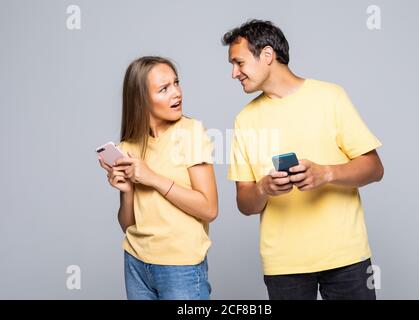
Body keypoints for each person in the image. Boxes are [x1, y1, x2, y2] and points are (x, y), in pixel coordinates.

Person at [223, 20, 384, 300]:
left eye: (238, 63)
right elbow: (244, 204)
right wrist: (263, 188)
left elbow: (374, 168)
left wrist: (326, 174)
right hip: (284, 265)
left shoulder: (330, 97)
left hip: (346, 256)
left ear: (268, 55)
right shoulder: (245, 120)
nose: (234, 73)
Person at [98, 56, 218, 300]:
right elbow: (128, 225)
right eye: (164, 89)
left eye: (176, 83)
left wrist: (152, 177)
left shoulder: (191, 133)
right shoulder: (127, 147)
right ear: (141, 99)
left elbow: (209, 208)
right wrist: (127, 190)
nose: (177, 93)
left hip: (180, 266)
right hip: (136, 263)